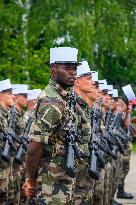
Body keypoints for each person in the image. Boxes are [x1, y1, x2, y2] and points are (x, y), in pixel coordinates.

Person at [23, 47, 82, 205]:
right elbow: (34, 147)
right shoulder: (52, 102)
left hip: (60, 179)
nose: (73, 73)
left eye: (75, 69)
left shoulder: (63, 98)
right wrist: (31, 181)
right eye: (67, 68)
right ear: (53, 70)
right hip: (51, 184)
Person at [0, 79, 15, 205]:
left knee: (8, 198)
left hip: (6, 165)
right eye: (9, 93)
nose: (13, 96)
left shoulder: (8, 114)